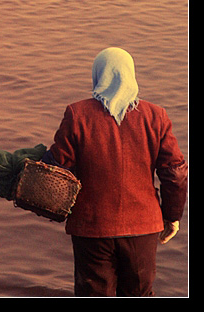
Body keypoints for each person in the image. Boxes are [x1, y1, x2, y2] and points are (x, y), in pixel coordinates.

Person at [41, 47, 188, 297]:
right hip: (143, 226)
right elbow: (175, 173)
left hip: (92, 226)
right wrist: (172, 215)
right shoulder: (156, 117)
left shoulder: (78, 114)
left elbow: (56, 166)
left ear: (98, 75)